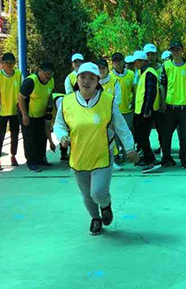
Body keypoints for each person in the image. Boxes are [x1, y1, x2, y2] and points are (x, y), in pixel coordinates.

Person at [55, 63, 139, 234]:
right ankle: (95, 218)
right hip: (78, 156)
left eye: (91, 78)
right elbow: (59, 124)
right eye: (82, 77)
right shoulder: (67, 102)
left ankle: (105, 205)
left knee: (98, 193)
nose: (86, 81)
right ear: (77, 79)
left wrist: (130, 148)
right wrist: (62, 136)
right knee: (87, 195)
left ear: (97, 81)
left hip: (102, 155)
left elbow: (121, 126)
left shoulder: (107, 101)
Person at [159, 41, 186, 169]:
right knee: (166, 135)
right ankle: (166, 158)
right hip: (170, 106)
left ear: (182, 50)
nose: (175, 52)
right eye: (173, 50)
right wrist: (163, 102)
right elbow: (163, 85)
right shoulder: (166, 65)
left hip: (184, 106)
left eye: (178, 49)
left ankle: (184, 159)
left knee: (184, 136)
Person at [17, 60, 54, 172]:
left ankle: (41, 158)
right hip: (28, 114)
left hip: (41, 114)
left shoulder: (51, 81)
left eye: (51, 74)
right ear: (40, 71)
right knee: (30, 138)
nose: (48, 76)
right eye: (46, 73)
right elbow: (20, 98)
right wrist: (24, 115)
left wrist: (49, 110)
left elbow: (50, 95)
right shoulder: (30, 81)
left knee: (42, 137)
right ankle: (31, 162)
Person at [0, 52, 22, 171]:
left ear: (14, 64)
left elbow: (23, 92)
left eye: (11, 62)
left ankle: (13, 156)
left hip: (15, 110)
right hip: (2, 110)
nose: (9, 65)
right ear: (2, 64)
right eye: (6, 62)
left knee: (15, 135)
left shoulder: (19, 74)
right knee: (0, 136)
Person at [134, 50, 161, 173]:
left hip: (145, 111)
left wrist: (147, 109)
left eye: (137, 61)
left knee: (143, 136)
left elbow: (151, 93)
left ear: (143, 61)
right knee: (141, 136)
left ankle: (150, 161)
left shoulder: (149, 73)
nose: (136, 64)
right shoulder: (143, 73)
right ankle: (148, 159)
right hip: (141, 109)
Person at [110, 51, 135, 134]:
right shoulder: (109, 76)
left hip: (128, 110)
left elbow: (134, 90)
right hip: (115, 111)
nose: (118, 63)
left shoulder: (131, 74)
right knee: (116, 135)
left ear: (123, 61)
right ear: (112, 63)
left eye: (119, 60)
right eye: (115, 61)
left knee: (128, 133)